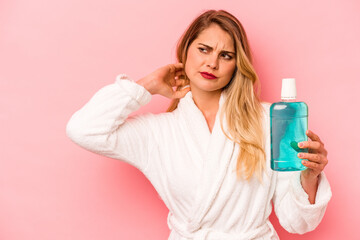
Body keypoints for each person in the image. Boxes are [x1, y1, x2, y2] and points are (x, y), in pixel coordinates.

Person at [66, 9, 332, 240]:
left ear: (237, 66)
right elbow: (83, 129)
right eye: (204, 49)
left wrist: (309, 176)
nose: (212, 62)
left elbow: (296, 222)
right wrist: (146, 85)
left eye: (226, 55)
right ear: (186, 51)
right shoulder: (158, 133)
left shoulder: (269, 120)